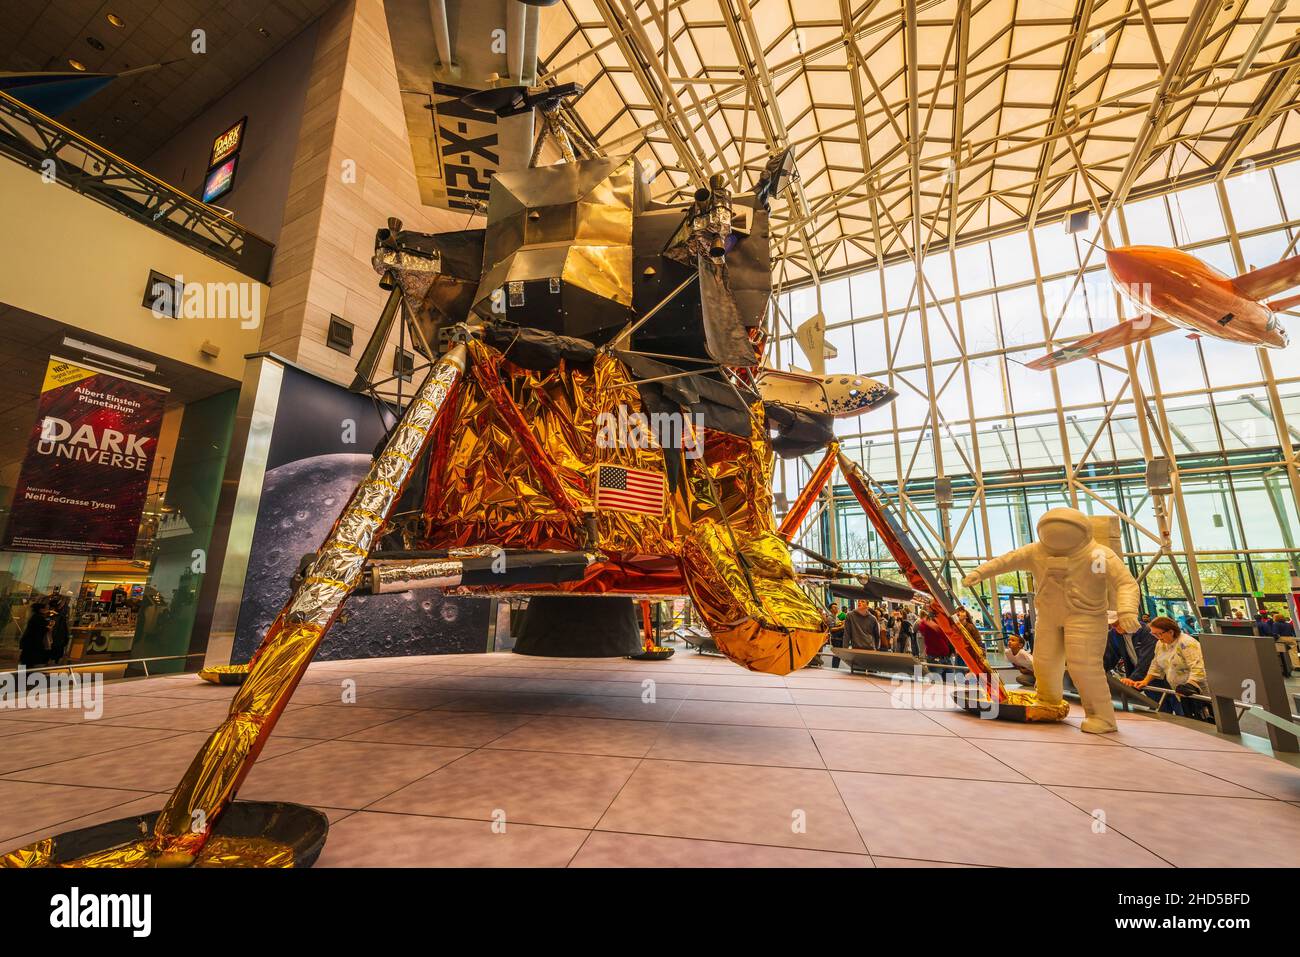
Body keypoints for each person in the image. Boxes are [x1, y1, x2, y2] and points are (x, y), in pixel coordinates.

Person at [1122, 616, 1210, 720]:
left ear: (1171, 632)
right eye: (1153, 634)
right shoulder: (1161, 643)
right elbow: (1156, 664)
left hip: (1198, 691)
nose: (1156, 637)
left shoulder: (1186, 643)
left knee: (1204, 719)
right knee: (1187, 718)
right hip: (1179, 691)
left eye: (1158, 634)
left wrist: (1190, 684)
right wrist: (1145, 681)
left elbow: (1198, 667)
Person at [18, 597, 54, 668]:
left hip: (30, 642)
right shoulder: (39, 618)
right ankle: (23, 676)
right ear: (41, 609)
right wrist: (51, 626)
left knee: (26, 661)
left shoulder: (35, 616)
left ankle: (22, 676)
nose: (47, 610)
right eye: (46, 608)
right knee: (28, 661)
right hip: (33, 643)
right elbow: (43, 629)